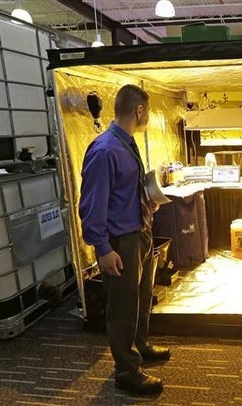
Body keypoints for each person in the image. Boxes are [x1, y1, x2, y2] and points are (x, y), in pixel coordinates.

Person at [80, 84, 170, 395]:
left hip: (139, 232)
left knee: (141, 298)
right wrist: (103, 249)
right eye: (148, 113)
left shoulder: (126, 143)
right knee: (122, 307)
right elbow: (91, 206)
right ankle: (126, 372)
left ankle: (140, 346)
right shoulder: (105, 150)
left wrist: (148, 201)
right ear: (139, 110)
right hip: (120, 241)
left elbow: (122, 192)